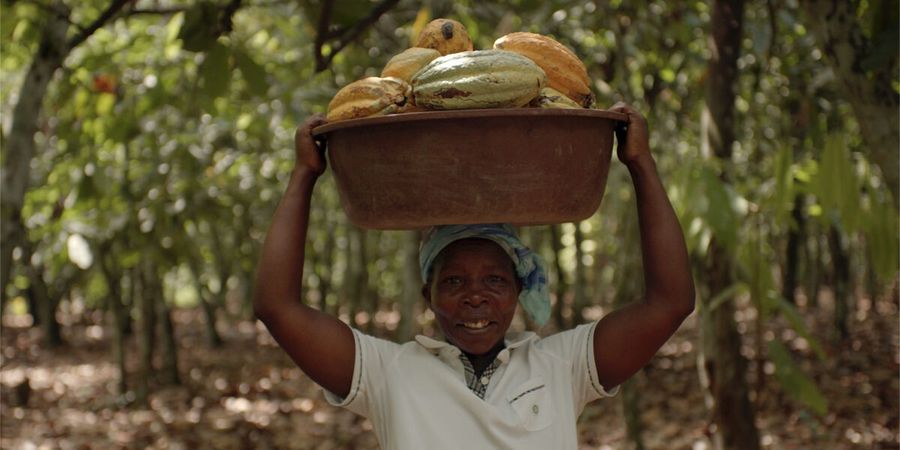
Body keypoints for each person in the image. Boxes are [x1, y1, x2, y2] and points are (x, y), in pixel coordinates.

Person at [253, 103, 695, 449]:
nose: (475, 297)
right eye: (454, 282)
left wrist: (640, 163)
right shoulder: (390, 373)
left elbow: (669, 303)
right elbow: (277, 307)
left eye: (496, 281)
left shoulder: (564, 367)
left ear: (519, 289)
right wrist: (304, 174)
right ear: (429, 294)